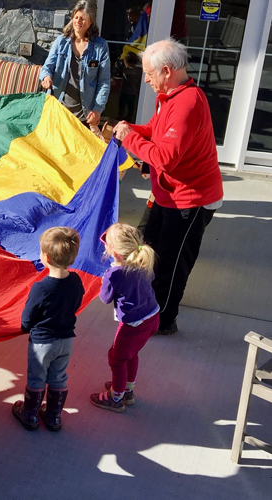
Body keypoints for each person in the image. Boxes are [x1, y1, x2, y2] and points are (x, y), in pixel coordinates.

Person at [114, 39, 223, 336]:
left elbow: (166, 157)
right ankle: (149, 307)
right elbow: (155, 131)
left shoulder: (188, 102)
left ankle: (163, 320)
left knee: (171, 264)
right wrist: (131, 129)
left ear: (166, 70)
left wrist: (129, 140)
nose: (145, 79)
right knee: (148, 249)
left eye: (149, 73)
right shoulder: (170, 96)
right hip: (167, 193)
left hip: (190, 199)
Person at [12, 227, 84, 432]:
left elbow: (28, 316)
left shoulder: (41, 288)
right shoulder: (76, 281)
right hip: (65, 341)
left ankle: (30, 414)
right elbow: (76, 303)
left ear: (47, 257)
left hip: (42, 343)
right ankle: (53, 416)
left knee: (37, 378)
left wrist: (25, 327)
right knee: (58, 376)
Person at [90, 223, 159, 413]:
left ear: (114, 252)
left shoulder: (114, 274)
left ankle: (116, 397)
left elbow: (105, 298)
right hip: (152, 318)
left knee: (117, 359)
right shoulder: (143, 264)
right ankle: (127, 390)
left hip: (133, 325)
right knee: (131, 354)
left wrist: (106, 279)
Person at [40, 0, 110, 131]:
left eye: (83, 18)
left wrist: (97, 109)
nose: (78, 21)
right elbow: (46, 67)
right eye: (76, 17)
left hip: (84, 115)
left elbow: (104, 82)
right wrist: (46, 77)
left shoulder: (100, 47)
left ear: (91, 21)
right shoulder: (61, 42)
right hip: (58, 110)